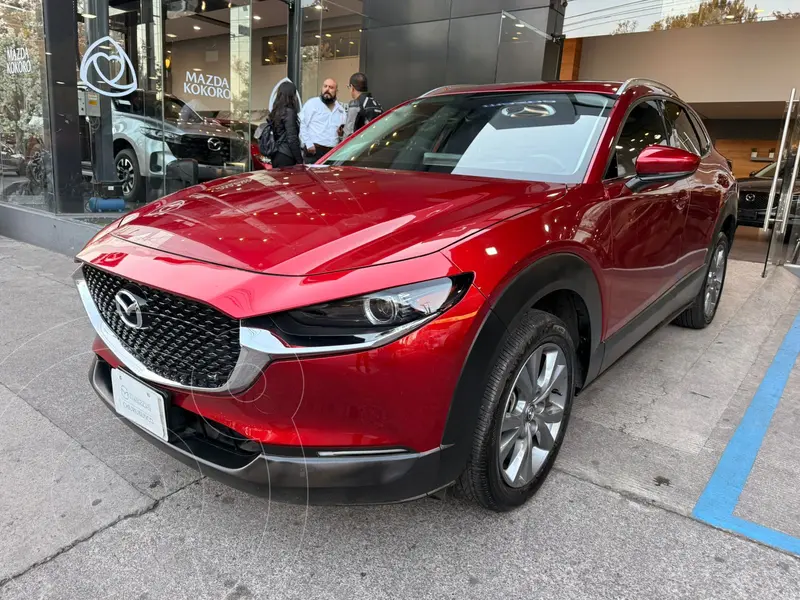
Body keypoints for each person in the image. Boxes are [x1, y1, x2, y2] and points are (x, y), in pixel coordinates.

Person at [299, 78, 346, 163]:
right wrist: (308, 144)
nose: (327, 89)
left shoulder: (340, 110)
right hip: (314, 150)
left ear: (336, 91)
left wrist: (340, 135)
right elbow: (303, 124)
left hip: (332, 152)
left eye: (331, 87)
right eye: (325, 86)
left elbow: (342, 132)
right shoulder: (312, 104)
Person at [269, 80, 303, 169]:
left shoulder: (276, 112)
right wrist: (300, 160)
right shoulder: (289, 112)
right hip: (287, 155)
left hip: (276, 154)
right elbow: (292, 138)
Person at [343, 72, 383, 138]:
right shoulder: (377, 104)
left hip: (360, 145)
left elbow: (348, 133)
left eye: (349, 87)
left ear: (352, 88)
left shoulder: (355, 104)